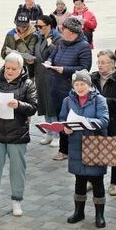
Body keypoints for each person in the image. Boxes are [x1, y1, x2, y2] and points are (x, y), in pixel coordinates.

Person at [0, 52, 38, 217]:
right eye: (7, 68)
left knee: (17, 169)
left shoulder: (28, 84)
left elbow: (34, 107)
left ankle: (17, 200)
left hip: (17, 134)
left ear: (21, 69)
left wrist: (19, 104)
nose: (10, 71)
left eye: (14, 69)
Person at [61, 70, 111, 227]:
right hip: (76, 144)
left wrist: (84, 121)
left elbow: (104, 121)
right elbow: (62, 118)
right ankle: (79, 212)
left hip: (95, 145)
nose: (79, 87)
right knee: (79, 180)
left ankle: (99, 215)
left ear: (89, 85)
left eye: (82, 84)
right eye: (76, 84)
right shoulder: (68, 100)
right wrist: (65, 128)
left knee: (97, 181)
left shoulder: (99, 100)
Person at [45, 17, 94, 159]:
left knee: (71, 120)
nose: (61, 30)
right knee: (61, 119)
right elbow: (52, 57)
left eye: (63, 28)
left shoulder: (83, 46)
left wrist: (64, 69)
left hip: (71, 89)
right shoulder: (61, 43)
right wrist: (48, 62)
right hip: (56, 86)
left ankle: (74, 150)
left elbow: (85, 68)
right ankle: (63, 149)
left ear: (72, 32)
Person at [93, 50, 116, 197]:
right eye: (99, 62)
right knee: (96, 150)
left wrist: (104, 101)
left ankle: (114, 182)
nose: (100, 65)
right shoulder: (93, 78)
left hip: (115, 121)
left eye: (104, 62)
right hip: (98, 121)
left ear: (112, 63)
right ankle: (94, 180)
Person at [34, 15, 59, 144]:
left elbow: (59, 55)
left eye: (41, 26)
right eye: (37, 26)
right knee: (44, 104)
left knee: (52, 106)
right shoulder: (39, 37)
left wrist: (51, 46)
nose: (38, 29)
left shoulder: (57, 38)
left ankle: (57, 135)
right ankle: (49, 132)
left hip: (51, 76)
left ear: (49, 25)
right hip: (40, 75)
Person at [1, 11, 40, 76]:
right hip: (11, 68)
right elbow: (3, 53)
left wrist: (19, 41)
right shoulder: (10, 34)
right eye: (18, 26)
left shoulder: (34, 35)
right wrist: (6, 53)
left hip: (26, 70)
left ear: (28, 24)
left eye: (24, 26)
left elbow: (29, 55)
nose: (21, 28)